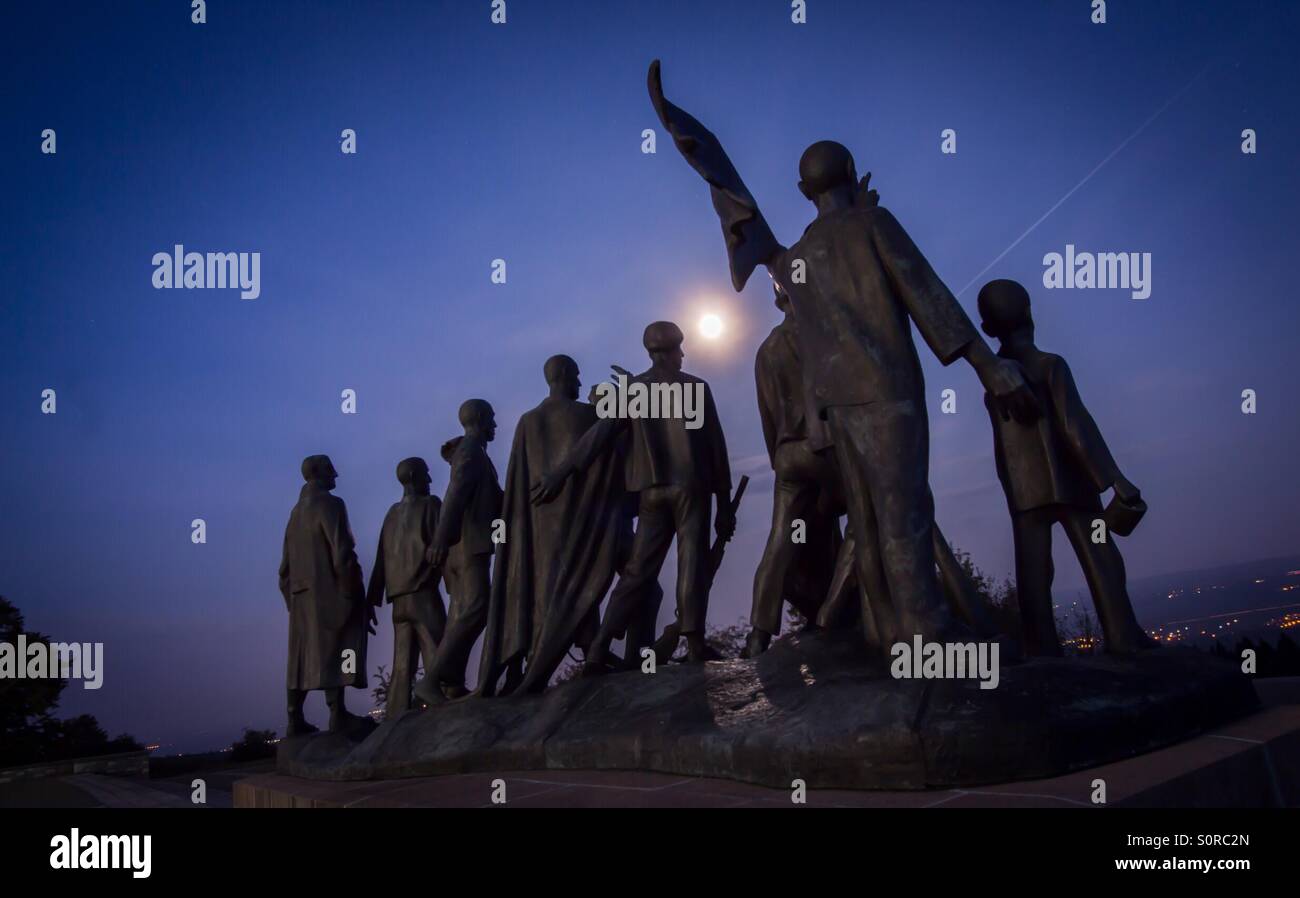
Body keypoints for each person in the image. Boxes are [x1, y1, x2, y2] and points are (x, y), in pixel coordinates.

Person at [532, 322, 733, 672]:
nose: (682, 355)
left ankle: (598, 649)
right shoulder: (697, 389)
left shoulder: (633, 392)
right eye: (678, 350)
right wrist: (725, 504)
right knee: (692, 562)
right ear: (669, 351)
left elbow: (598, 436)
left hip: (651, 493)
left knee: (637, 572)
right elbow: (717, 451)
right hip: (691, 489)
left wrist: (560, 473)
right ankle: (695, 641)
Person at [976, 278, 1151, 655]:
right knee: (1102, 559)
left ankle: (1041, 647)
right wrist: (1113, 479)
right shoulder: (1050, 366)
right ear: (1029, 314)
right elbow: (1077, 427)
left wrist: (1013, 493)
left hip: (1025, 495)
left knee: (1034, 573)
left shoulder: (995, 383)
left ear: (986, 329)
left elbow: (1001, 452)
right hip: (1072, 485)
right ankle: (1123, 638)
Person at [413, 400, 503, 704]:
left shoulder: (478, 455)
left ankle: (450, 683)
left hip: (466, 546)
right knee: (476, 607)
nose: (495, 424)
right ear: (478, 419)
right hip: (467, 545)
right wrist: (440, 539)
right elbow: (455, 496)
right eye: (491, 418)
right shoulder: (471, 453)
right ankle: (431, 681)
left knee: (463, 614)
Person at [278, 454, 375, 734]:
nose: (337, 474)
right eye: (331, 469)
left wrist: (293, 602)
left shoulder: (295, 515)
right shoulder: (331, 504)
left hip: (301, 599)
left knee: (302, 656)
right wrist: (351, 596)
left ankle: (294, 717)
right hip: (330, 593)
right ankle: (338, 713)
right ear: (318, 473)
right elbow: (342, 552)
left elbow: (283, 571)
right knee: (336, 646)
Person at [367, 457, 446, 715]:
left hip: (398, 602)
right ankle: (448, 715)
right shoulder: (431, 505)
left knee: (402, 666)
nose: (430, 480)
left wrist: (372, 601)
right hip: (422, 595)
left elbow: (380, 560)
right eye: (426, 474)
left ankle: (395, 716)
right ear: (413, 475)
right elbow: (446, 546)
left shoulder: (391, 514)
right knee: (439, 655)